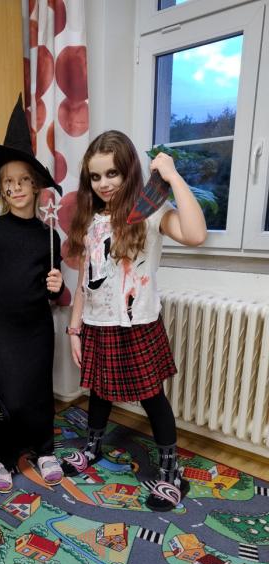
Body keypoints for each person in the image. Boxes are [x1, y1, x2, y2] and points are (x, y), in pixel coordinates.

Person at [66, 130, 207, 511]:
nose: (104, 184)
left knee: (152, 397)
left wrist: (173, 177)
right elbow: (83, 283)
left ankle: (170, 470)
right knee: (99, 391)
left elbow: (196, 234)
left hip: (138, 325)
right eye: (96, 177)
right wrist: (75, 329)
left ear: (129, 172)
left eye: (112, 173)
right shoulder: (91, 220)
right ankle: (92, 448)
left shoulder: (151, 212)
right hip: (96, 325)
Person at [0, 95, 65, 493]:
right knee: (9, 395)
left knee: (39, 392)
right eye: (8, 182)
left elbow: (53, 293)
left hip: (38, 329)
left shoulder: (49, 237)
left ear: (36, 185)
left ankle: (44, 449)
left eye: (23, 180)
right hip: (5, 330)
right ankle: (3, 456)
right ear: (1, 190)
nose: (16, 187)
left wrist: (58, 288)